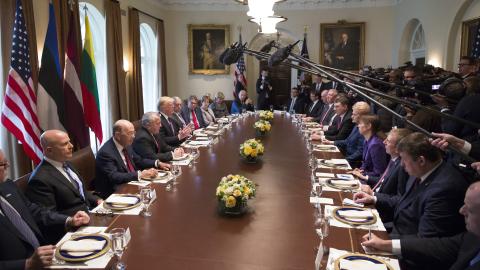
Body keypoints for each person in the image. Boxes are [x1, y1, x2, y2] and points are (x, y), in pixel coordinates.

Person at [354, 132, 469, 239]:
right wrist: (373, 198)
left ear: (421, 161)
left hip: (408, 248)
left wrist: (385, 241)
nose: (402, 165)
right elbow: (403, 202)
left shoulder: (445, 189)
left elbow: (426, 240)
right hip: (394, 230)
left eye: (404, 159)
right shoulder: (419, 171)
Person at [0, 149, 90, 269]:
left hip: (47, 255)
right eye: (3, 164)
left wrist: (69, 220)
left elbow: (34, 211)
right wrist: (26, 264)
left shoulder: (7, 185)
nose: (8, 167)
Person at [361, 181, 480, 270]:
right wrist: (384, 244)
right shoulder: (472, 237)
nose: (461, 211)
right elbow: (435, 246)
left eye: (469, 209)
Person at [26, 130, 101, 217]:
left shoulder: (66, 163)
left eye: (69, 142)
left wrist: (98, 200)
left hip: (91, 212)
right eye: (65, 144)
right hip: (74, 225)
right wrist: (71, 221)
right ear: (49, 150)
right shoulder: (39, 180)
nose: (71, 146)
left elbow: (81, 192)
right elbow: (48, 215)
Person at [94, 120, 171, 198]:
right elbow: (114, 176)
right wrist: (140, 174)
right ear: (117, 135)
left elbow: (139, 160)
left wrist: (157, 163)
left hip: (132, 184)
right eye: (130, 133)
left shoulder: (126, 144)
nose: (133, 136)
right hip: (115, 192)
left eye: (134, 132)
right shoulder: (106, 153)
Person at [358, 128, 411, 196]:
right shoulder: (393, 159)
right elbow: (383, 180)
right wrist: (364, 177)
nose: (384, 142)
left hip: (379, 203)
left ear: (398, 148)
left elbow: (399, 199)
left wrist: (373, 194)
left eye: (388, 141)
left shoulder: (402, 167)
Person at [321, 101, 370, 167]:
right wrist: (331, 142)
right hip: (346, 158)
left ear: (362, 116)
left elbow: (360, 152)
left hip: (353, 163)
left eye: (354, 114)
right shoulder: (356, 126)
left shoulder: (364, 130)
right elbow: (347, 141)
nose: (351, 116)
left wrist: (344, 160)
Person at [349, 115, 388, 185]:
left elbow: (378, 172)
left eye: (360, 123)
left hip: (371, 182)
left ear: (369, 126)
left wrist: (363, 174)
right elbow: (366, 163)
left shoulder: (375, 145)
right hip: (365, 176)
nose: (358, 126)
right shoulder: (367, 140)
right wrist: (361, 170)